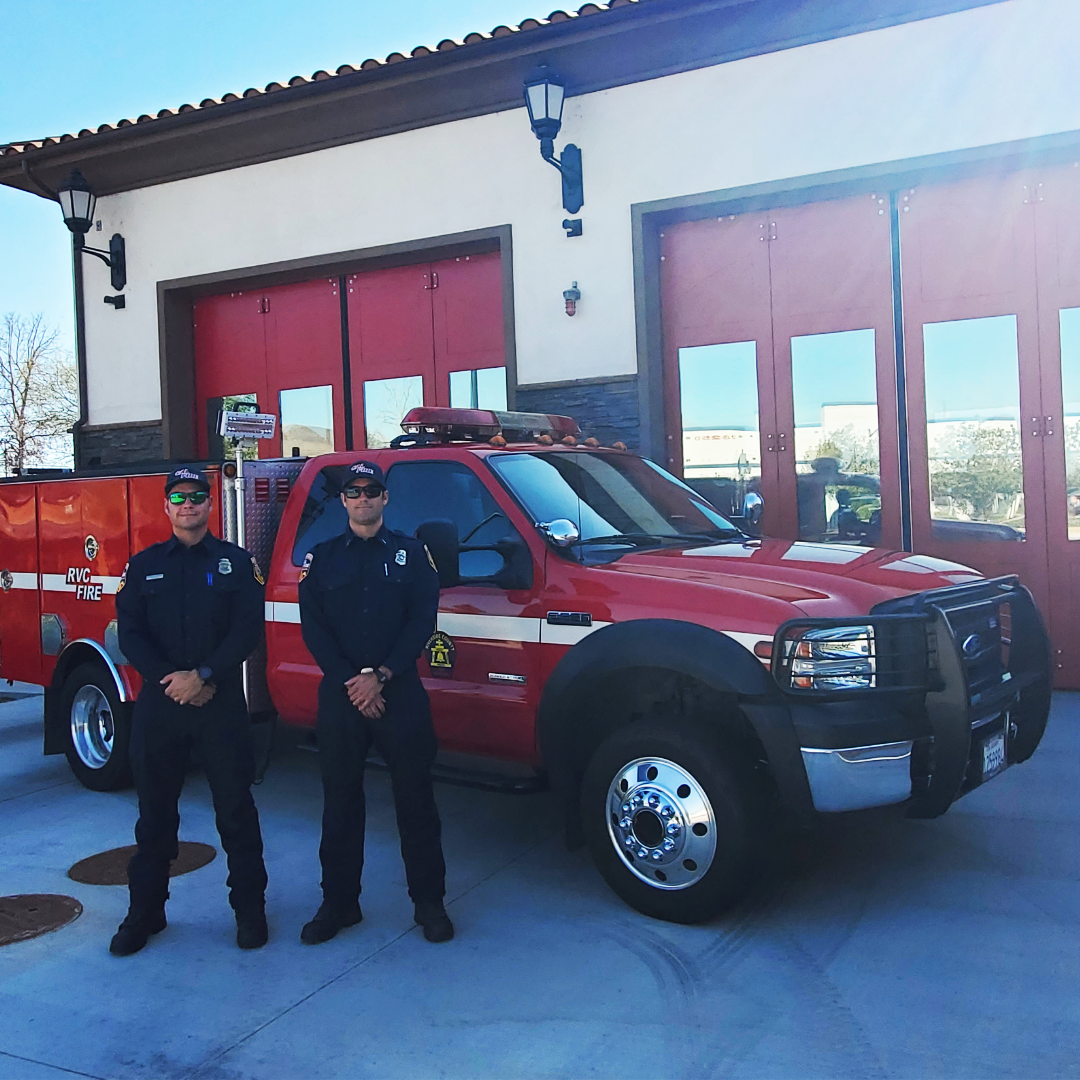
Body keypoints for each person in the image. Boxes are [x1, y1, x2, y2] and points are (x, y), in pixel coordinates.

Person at [111, 466, 269, 956]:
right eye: (178, 497)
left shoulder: (236, 563)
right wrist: (173, 681)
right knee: (154, 818)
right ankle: (146, 914)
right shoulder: (142, 566)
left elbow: (247, 630)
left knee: (237, 814)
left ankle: (249, 913)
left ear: (209, 505)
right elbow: (130, 634)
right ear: (166, 506)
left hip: (218, 704)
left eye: (197, 497)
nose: (187, 505)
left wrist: (203, 675)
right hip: (162, 707)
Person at [297, 460, 452, 944]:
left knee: (416, 803)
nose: (363, 498)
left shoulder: (412, 554)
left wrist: (381, 676)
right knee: (340, 805)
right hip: (343, 696)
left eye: (372, 490)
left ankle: (429, 904)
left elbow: (421, 621)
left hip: (399, 692)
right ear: (342, 501)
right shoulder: (320, 559)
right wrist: (354, 682)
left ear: (385, 498)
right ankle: (339, 904)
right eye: (354, 492)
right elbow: (314, 629)